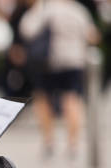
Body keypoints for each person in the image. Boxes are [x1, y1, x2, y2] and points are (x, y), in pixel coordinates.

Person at [20, 0, 99, 159]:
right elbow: (92, 36)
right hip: (74, 60)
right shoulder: (78, 10)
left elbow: (26, 29)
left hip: (48, 62)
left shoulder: (44, 9)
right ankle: (73, 144)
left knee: (43, 99)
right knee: (72, 99)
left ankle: (49, 141)